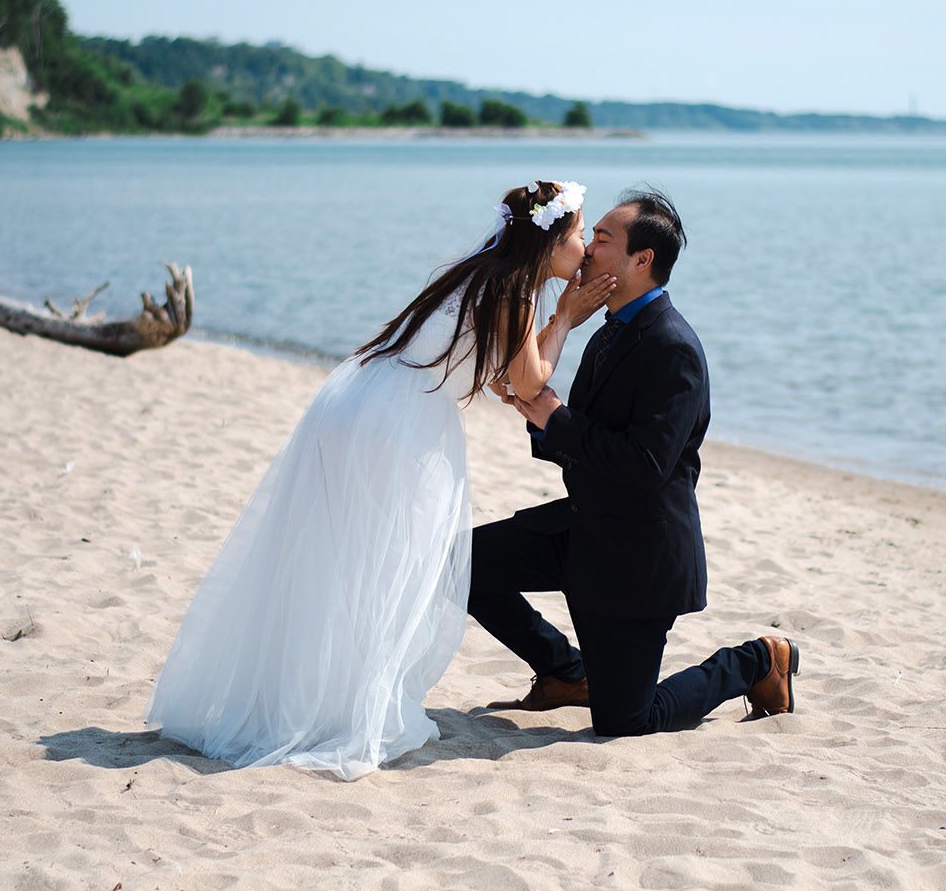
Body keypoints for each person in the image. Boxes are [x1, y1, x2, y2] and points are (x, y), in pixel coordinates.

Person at [146, 180, 616, 779]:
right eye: (579, 236)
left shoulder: (479, 271)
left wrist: (541, 332)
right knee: (392, 565)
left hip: (363, 402)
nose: (585, 249)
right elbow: (529, 383)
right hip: (399, 426)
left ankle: (317, 694)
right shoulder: (515, 292)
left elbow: (498, 370)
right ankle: (344, 706)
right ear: (550, 239)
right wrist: (568, 317)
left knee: (346, 559)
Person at [469, 187, 800, 738]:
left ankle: (758, 661)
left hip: (638, 558)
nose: (587, 250)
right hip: (583, 527)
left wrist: (554, 414)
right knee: (463, 566)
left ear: (642, 260)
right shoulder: (609, 330)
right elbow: (585, 437)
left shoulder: (672, 346)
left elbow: (645, 463)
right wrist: (536, 410)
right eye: (590, 236)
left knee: (626, 721)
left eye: (601, 239)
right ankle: (564, 672)